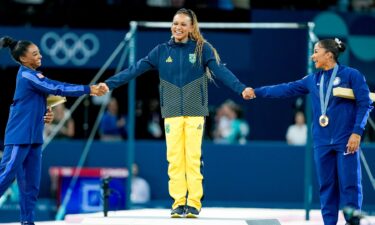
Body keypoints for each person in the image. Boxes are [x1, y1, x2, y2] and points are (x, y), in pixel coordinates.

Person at [97, 8, 253, 218]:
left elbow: (221, 71)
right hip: (171, 112)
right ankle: (179, 203)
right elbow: (134, 69)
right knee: (175, 159)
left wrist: (240, 88)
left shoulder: (201, 49)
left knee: (193, 157)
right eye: (175, 23)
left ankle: (194, 203)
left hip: (195, 111)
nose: (178, 27)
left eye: (183, 24)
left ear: (191, 28)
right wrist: (109, 84)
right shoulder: (161, 51)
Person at [248, 38, 373, 225]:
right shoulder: (312, 80)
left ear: (329, 54)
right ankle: (329, 223)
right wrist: (257, 92)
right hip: (322, 141)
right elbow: (285, 89)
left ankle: (352, 222)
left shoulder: (352, 75)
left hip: (346, 139)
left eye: (316, 51)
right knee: (326, 186)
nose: (312, 56)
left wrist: (357, 132)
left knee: (350, 184)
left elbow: (365, 103)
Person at [0, 36, 103, 225]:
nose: (40, 56)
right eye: (35, 54)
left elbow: (40, 98)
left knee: (30, 186)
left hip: (34, 138)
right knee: (5, 176)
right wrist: (89, 89)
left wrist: (45, 112)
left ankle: (27, 222)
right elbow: (56, 87)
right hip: (19, 136)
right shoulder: (26, 74)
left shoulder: (34, 75)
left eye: (39, 51)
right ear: (24, 59)